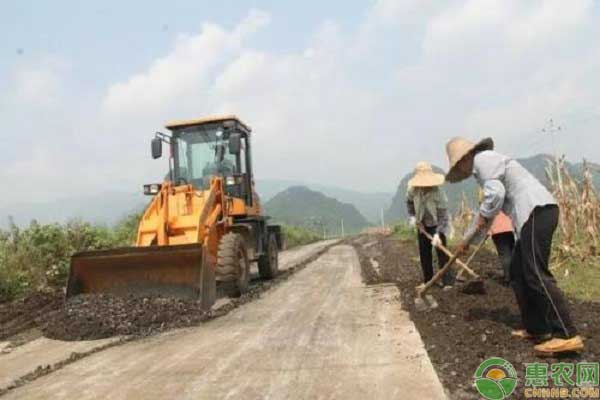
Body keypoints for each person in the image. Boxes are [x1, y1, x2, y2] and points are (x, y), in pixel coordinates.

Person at [445, 136, 583, 355]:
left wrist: (481, 219)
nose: (461, 169)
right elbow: (488, 213)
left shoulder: (483, 160)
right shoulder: (485, 168)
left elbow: (495, 198)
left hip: (537, 209)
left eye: (459, 164)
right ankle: (538, 328)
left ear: (466, 157)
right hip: (532, 215)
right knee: (517, 272)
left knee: (535, 272)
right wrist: (467, 240)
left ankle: (567, 334)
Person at [406, 161, 454, 288]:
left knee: (442, 253)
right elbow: (409, 202)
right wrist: (412, 216)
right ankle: (429, 281)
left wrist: (438, 234)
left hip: (437, 223)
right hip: (421, 223)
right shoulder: (413, 190)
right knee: (424, 252)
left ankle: (447, 282)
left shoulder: (438, 193)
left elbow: (443, 216)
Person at [479, 189, 515, 285]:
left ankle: (508, 278)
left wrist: (484, 233)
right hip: (510, 226)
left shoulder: (485, 196)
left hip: (498, 229)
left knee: (504, 254)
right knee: (512, 251)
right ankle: (516, 276)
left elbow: (484, 216)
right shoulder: (502, 192)